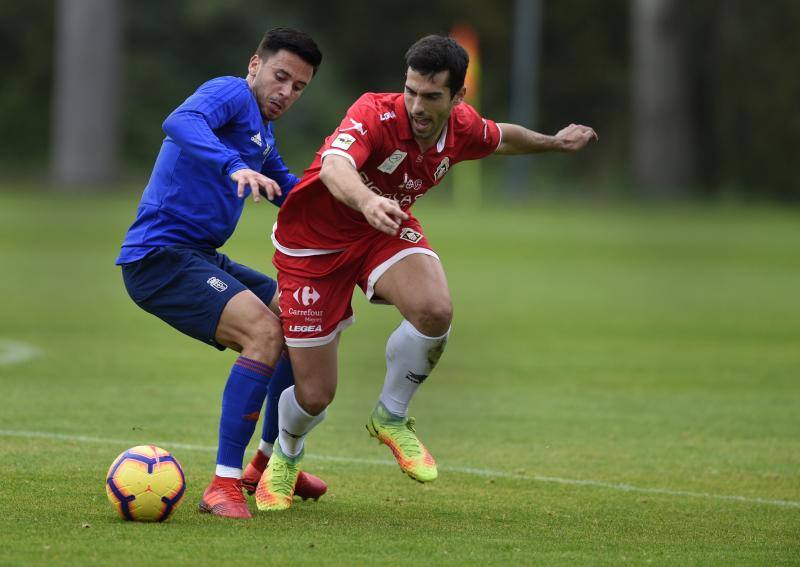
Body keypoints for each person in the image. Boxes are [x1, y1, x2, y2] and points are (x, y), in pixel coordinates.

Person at [252, 34, 598, 511]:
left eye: (431, 96)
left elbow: (502, 137)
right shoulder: (375, 113)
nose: (416, 104)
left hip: (382, 229)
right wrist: (368, 199)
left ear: (457, 98)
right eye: (411, 90)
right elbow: (334, 166)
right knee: (315, 395)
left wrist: (555, 143)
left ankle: (391, 417)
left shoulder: (461, 127)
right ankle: (286, 456)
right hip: (313, 246)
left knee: (435, 310)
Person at [116, 28, 328, 519]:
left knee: (299, 318)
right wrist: (234, 164)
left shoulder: (262, 132)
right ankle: (222, 486)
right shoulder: (230, 92)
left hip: (200, 255)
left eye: (298, 87)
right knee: (265, 331)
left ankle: (269, 466)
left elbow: (290, 190)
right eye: (280, 77)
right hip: (160, 258)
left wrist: (351, 197)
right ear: (255, 65)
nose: (286, 93)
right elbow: (181, 120)